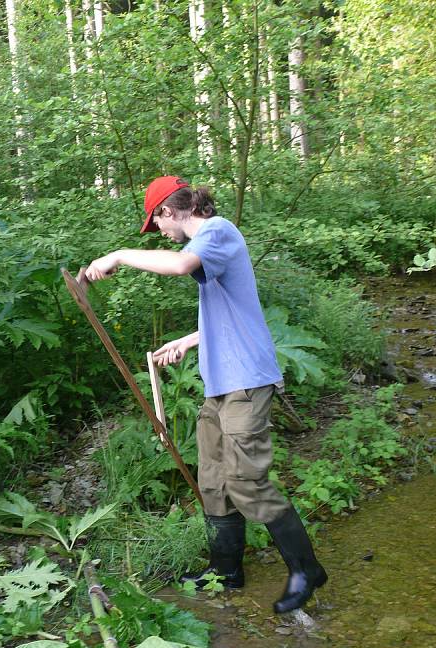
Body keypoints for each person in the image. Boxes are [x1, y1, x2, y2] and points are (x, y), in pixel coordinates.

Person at [85, 175, 327, 614]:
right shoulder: (209, 248)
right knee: (213, 479)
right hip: (220, 385)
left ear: (170, 211)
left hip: (245, 383)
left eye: (156, 222)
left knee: (246, 480)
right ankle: (226, 570)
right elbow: (234, 308)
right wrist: (190, 340)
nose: (159, 231)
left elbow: (179, 265)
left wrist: (119, 255)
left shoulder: (216, 231)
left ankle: (306, 569)